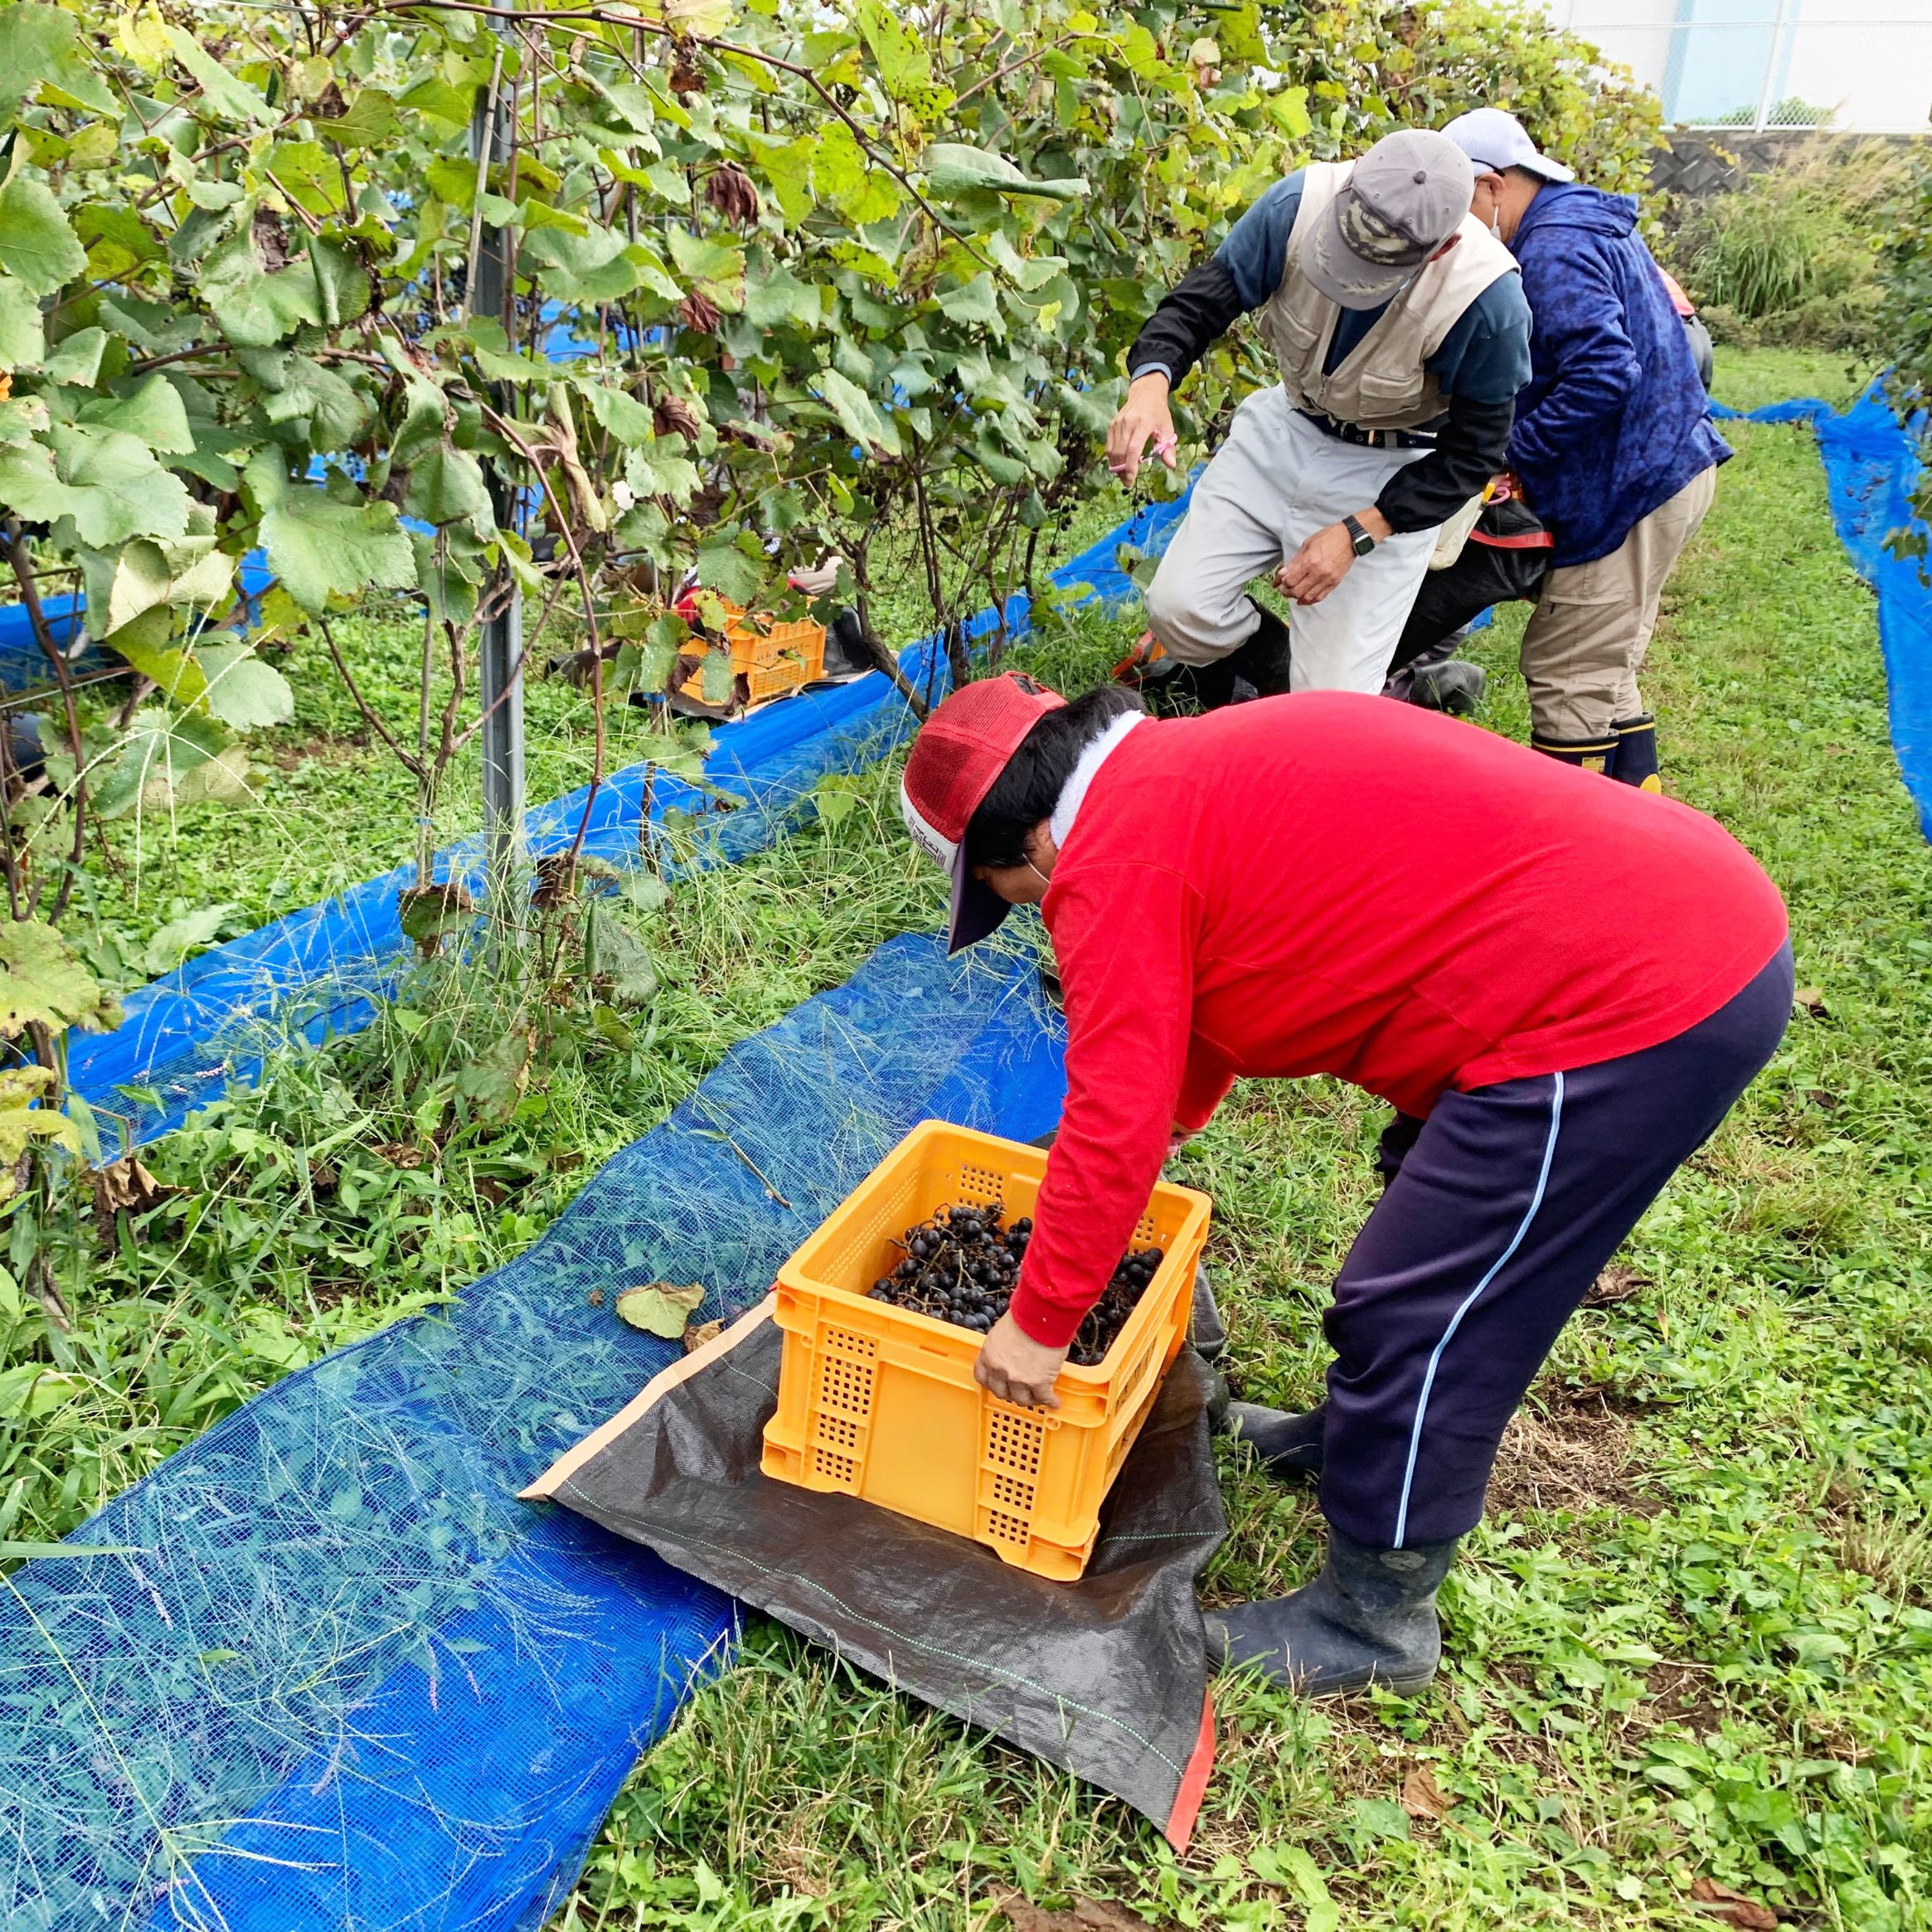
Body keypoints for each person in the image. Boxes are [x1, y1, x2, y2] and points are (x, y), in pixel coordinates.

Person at [898, 672, 1790, 1696]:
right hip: (1652, 915)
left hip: (1634, 997)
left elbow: (1115, 1112)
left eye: (1005, 894)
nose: (1025, 913)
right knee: (1428, 1200)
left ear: (1031, 846)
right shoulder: (1175, 775)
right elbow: (1193, 1001)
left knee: (1425, 1309)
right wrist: (1149, 1134)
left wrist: (1037, 1323)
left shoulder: (1106, 862)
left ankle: (1373, 1617)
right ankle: (1348, 1441)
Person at [1105, 129, 1532, 708]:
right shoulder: (1296, 205)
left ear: (1442, 247)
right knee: (1180, 609)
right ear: (1351, 179)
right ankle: (1276, 668)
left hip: (1389, 471)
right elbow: (1202, 301)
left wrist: (1363, 530)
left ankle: (1314, 717)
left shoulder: (1486, 303)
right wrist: (1150, 385)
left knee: (1332, 704)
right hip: (1283, 429)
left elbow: (1474, 454)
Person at [1439, 108, 1731, 787]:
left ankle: (1575, 855)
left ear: (1491, 185)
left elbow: (1603, 371)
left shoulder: (1553, 248)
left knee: (1568, 670)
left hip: (1632, 484)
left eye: (1458, 205)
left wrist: (1510, 455)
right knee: (1607, 666)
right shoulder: (1577, 220)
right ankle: (1641, 814)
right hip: (1666, 468)